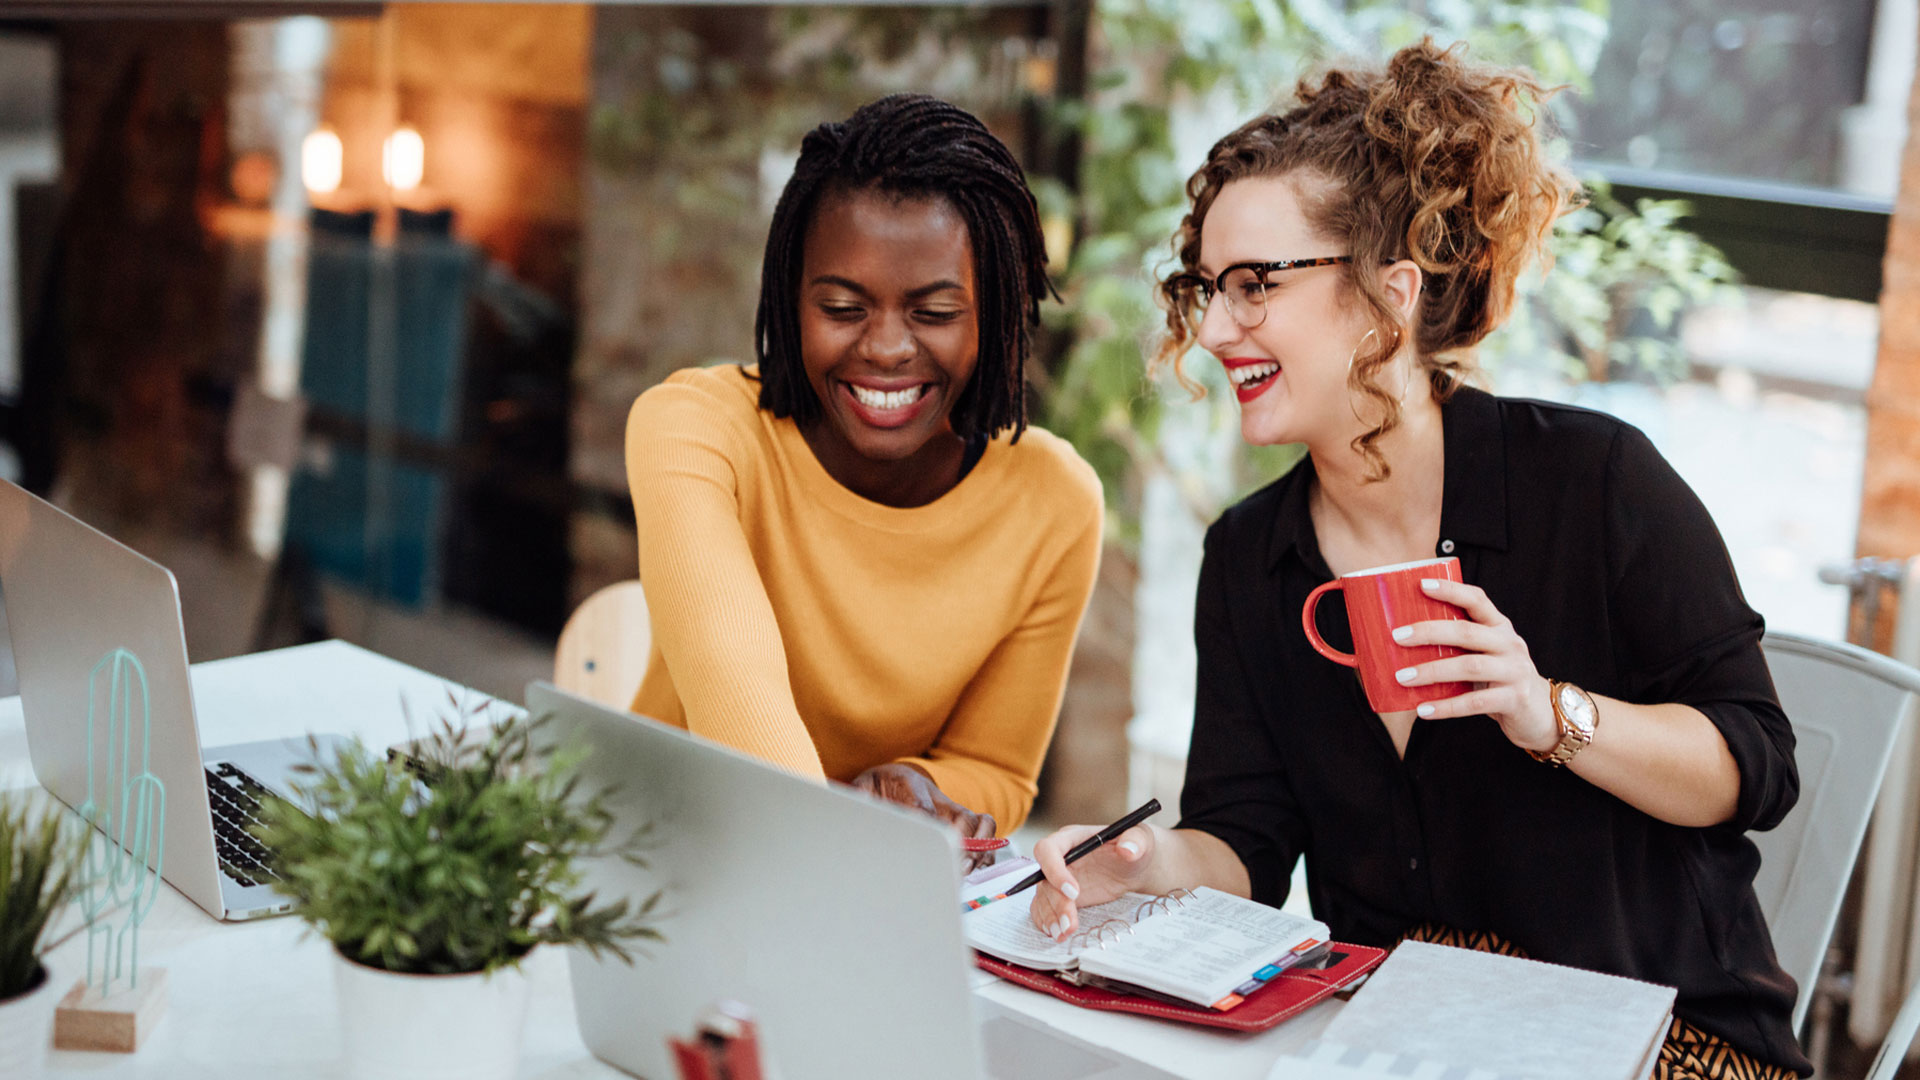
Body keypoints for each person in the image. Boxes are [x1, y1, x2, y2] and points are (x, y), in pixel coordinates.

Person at [1027, 41, 1809, 1079]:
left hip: (1658, 1035)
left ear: (1389, 293)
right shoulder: (1252, 559)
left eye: (1256, 284)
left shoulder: (1594, 481)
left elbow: (1752, 768)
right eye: (1208, 288)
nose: (1215, 328)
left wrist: (1549, 714)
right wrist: (1145, 863)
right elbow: (1247, 845)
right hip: (1410, 1041)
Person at [624, 94, 1104, 841]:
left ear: (999, 314)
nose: (885, 349)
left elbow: (997, 770)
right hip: (666, 853)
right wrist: (848, 826)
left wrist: (922, 785)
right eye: (843, 307)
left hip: (865, 882)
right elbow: (736, 699)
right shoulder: (696, 431)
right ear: (790, 302)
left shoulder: (1054, 502)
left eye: (936, 313)